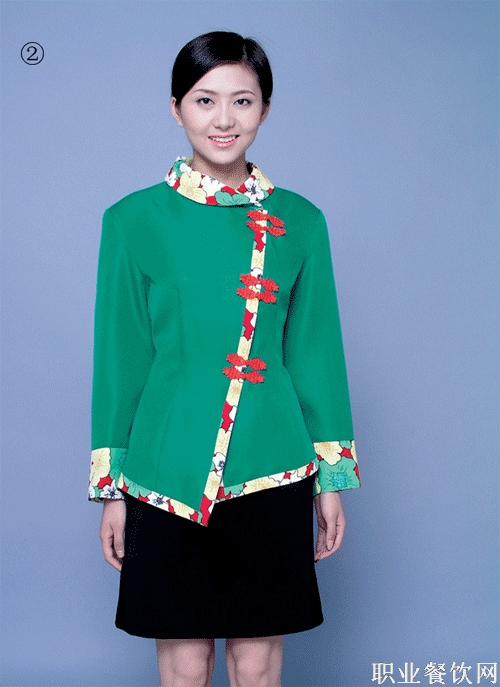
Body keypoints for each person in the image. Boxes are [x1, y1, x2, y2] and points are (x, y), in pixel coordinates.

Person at [88, 30, 360, 687]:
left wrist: (331, 481)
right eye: (205, 100)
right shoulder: (132, 220)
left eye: (243, 100)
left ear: (265, 109)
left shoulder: (301, 221)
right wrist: (112, 490)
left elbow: (316, 354)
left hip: (272, 466)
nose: (224, 119)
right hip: (165, 470)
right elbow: (120, 361)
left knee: (257, 663)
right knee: (184, 664)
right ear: (176, 107)